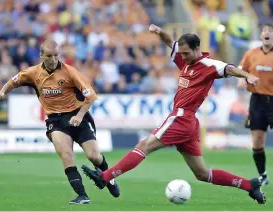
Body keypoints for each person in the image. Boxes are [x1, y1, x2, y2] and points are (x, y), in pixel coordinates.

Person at [81, 24, 266, 204]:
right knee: (202, 173)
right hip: (189, 122)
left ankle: (104, 177)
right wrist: (159, 31)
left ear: (197, 49)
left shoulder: (209, 65)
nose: (182, 57)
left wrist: (247, 76)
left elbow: (230, 68)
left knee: (144, 145)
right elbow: (170, 41)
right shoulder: (185, 60)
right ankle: (250, 185)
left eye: (186, 53)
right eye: (181, 53)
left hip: (182, 117)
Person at [0, 39, 120, 204]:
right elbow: (14, 80)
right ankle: (82, 195)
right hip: (56, 120)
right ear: (41, 56)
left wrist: (79, 116)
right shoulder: (33, 73)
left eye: (55, 55)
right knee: (66, 155)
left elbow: (91, 96)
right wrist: (3, 91)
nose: (53, 59)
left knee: (94, 156)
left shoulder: (70, 72)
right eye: (49, 56)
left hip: (77, 115)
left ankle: (109, 180)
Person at [237, 23, 273, 186]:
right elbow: (241, 69)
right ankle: (263, 175)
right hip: (257, 100)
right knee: (257, 141)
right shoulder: (251, 54)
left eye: (270, 31)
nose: (267, 33)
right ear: (260, 36)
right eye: (265, 31)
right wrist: (241, 79)